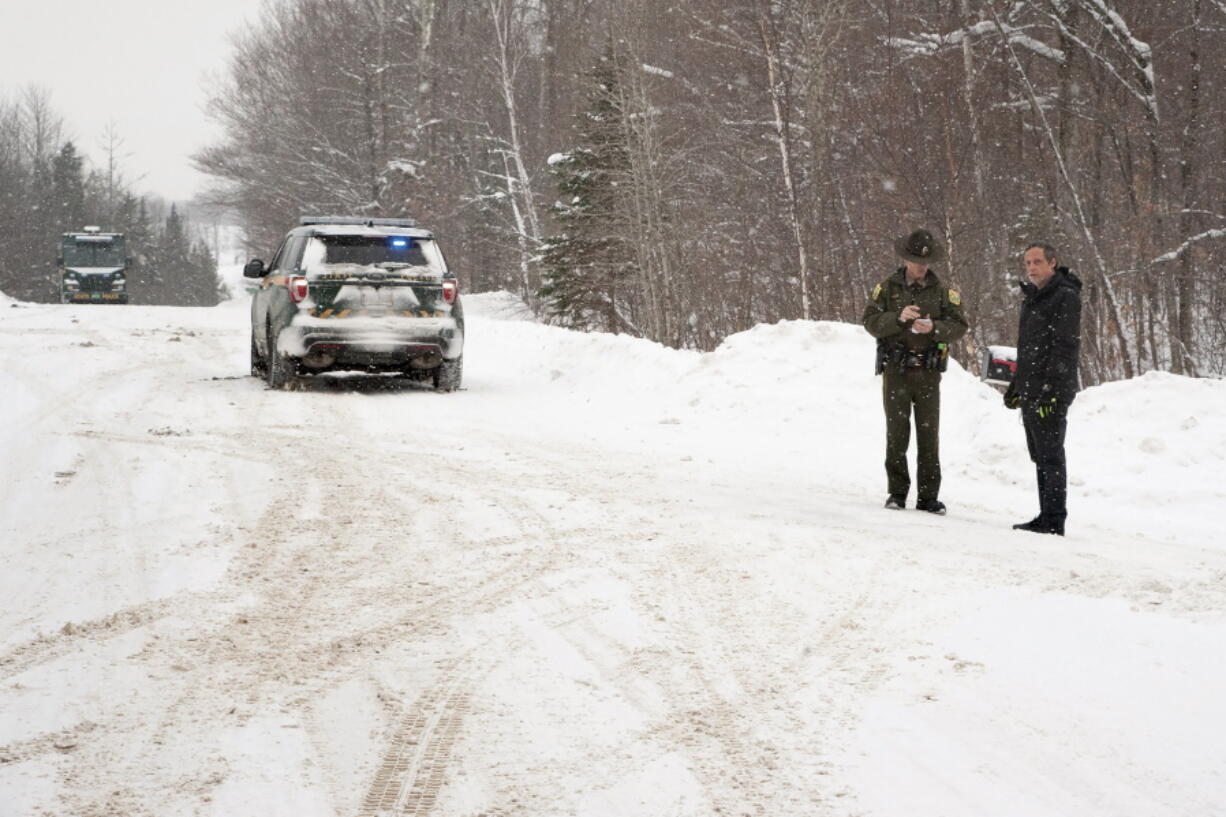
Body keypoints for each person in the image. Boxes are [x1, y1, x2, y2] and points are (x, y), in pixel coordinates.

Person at [863, 229, 969, 514]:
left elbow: (959, 326)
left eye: (926, 261)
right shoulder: (887, 288)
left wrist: (935, 328)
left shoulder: (944, 292)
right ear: (905, 259)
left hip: (928, 371)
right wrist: (897, 319)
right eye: (916, 260)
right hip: (897, 369)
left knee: (928, 435)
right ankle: (897, 492)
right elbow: (870, 321)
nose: (921, 266)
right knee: (897, 433)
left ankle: (928, 496)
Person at [1004, 242, 1082, 536]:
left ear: (1053, 263)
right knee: (1038, 453)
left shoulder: (1065, 296)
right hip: (1032, 386)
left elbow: (1065, 346)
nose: (1032, 268)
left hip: (1052, 389)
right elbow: (1028, 348)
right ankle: (1045, 514)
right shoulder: (1033, 297)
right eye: (1027, 263)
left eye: (1037, 261)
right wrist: (1017, 383)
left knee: (1051, 453)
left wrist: (1051, 388)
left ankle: (1054, 519)